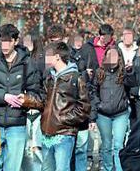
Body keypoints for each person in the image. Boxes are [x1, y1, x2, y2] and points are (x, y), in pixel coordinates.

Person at [0, 24, 43, 171]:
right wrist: (3, 97)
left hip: (17, 124)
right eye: (2, 41)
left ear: (16, 41)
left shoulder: (27, 64)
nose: (5, 45)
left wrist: (25, 99)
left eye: (8, 41)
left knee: (12, 167)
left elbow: (37, 94)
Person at [22, 42, 91, 171]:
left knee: (62, 168)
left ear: (57, 57)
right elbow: (43, 101)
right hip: (47, 132)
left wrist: (63, 120)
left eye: (48, 56)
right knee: (47, 168)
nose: (45, 59)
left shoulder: (75, 78)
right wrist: (26, 100)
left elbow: (84, 107)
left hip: (64, 133)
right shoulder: (49, 77)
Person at [92, 47, 130, 171]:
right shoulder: (99, 72)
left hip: (121, 113)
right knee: (107, 145)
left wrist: (131, 72)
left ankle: (119, 169)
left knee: (118, 145)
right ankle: (107, 168)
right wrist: (98, 105)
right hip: (103, 114)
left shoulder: (124, 73)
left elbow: (132, 87)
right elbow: (93, 91)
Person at [69, 31, 98, 171]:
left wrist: (92, 117)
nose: (79, 43)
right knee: (69, 150)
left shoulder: (89, 53)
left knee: (81, 149)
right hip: (68, 111)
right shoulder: (67, 55)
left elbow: (91, 92)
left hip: (83, 112)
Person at [22, 33, 45, 171]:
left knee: (37, 146)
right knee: (24, 148)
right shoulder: (20, 59)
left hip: (37, 107)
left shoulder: (41, 61)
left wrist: (37, 102)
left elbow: (42, 85)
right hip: (22, 107)